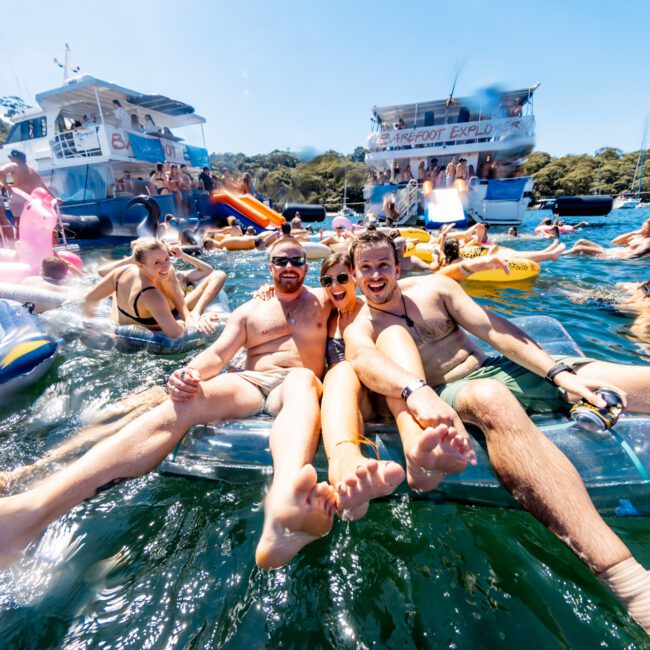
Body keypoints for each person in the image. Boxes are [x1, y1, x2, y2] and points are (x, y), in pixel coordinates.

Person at [342, 231, 650, 633]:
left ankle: (572, 390)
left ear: (397, 266)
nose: (376, 274)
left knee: (627, 380)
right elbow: (365, 363)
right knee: (490, 398)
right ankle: (626, 579)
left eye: (384, 264)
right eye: (366, 268)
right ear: (355, 274)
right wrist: (417, 390)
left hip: (497, 367)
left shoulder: (436, 288)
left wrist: (559, 373)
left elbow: (494, 329)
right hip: (452, 391)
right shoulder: (360, 326)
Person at [0, 237, 339, 571]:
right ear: (270, 268)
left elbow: (382, 285)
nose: (290, 267)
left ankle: (283, 509)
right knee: (179, 404)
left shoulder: (327, 299)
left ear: (307, 266)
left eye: (297, 260)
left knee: (303, 381)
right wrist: (188, 373)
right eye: (282, 261)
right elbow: (218, 354)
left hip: (295, 384)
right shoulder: (250, 310)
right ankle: (31, 510)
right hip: (250, 383)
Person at [86, 238, 217, 339]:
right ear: (139, 265)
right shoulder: (151, 295)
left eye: (166, 258)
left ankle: (195, 312)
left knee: (218, 275)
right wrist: (184, 324)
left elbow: (89, 299)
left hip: (130, 321)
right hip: (137, 334)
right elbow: (176, 334)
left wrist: (189, 319)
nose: (166, 266)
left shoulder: (120, 272)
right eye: (157, 262)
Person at [0, 149, 57, 231]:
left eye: (11, 158)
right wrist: (54, 198)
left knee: (20, 224)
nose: (11, 160)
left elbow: (1, 171)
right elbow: (44, 187)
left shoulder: (15, 165)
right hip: (33, 201)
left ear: (16, 159)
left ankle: (21, 243)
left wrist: (5, 185)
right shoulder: (33, 170)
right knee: (33, 225)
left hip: (19, 198)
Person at [564, 220, 650, 259]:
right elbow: (614, 242)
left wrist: (618, 259)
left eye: (645, 228)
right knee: (581, 241)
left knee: (579, 248)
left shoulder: (647, 242)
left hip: (613, 256)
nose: (642, 229)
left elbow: (635, 255)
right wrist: (633, 232)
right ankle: (570, 256)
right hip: (609, 250)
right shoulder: (636, 236)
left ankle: (561, 256)